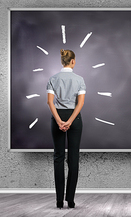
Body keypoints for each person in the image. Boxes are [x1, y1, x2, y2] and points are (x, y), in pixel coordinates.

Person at [46, 49, 86, 209]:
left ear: (62, 61)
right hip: (74, 118)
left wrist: (59, 121)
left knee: (58, 157)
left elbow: (50, 102)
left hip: (57, 117)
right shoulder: (80, 79)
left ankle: (58, 201)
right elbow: (81, 103)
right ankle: (70, 200)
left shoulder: (53, 78)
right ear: (73, 61)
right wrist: (69, 121)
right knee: (73, 158)